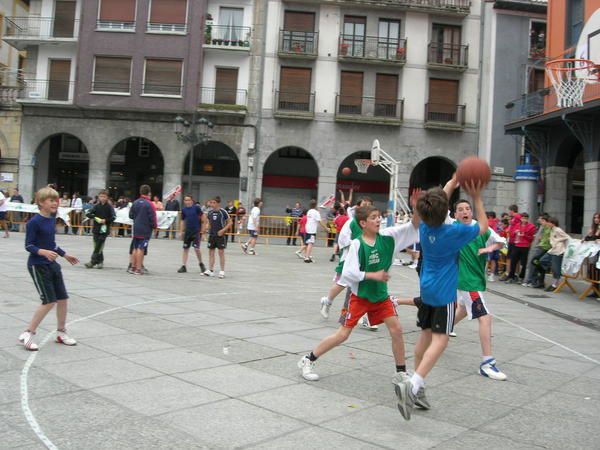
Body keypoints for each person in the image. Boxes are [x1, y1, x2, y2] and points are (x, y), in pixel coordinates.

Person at [394, 178, 488, 421]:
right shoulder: (454, 231)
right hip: (445, 294)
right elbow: (484, 227)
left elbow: (437, 203)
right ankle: (413, 384)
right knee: (441, 340)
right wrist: (476, 197)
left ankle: (418, 388)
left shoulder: (424, 226)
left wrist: (454, 179)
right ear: (447, 211)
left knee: (425, 336)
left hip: (426, 289)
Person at [298, 203, 420, 387]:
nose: (378, 220)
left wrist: (417, 209)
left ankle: (401, 372)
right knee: (343, 334)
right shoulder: (357, 244)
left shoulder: (388, 238)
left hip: (381, 297)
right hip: (359, 297)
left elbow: (413, 227)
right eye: (373, 217)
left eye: (379, 216)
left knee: (396, 330)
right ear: (363, 223)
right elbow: (348, 273)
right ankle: (308, 359)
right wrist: (374, 275)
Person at [444, 188, 507, 381]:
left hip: (476, 279)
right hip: (466, 281)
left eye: (467, 208)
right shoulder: (453, 227)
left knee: (462, 309)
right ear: (455, 214)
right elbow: (441, 205)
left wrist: (488, 248)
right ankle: (487, 363)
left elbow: (502, 243)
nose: (464, 211)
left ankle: (440, 331)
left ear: (471, 212)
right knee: (485, 318)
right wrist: (453, 183)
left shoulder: (482, 229)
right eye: (460, 209)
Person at [19, 186, 79, 351]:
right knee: (49, 301)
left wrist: (65, 255)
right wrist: (43, 252)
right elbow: (29, 245)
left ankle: (61, 332)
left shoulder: (52, 219)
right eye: (51, 200)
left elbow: (51, 244)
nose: (55, 202)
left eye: (56, 200)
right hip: (38, 265)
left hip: (52, 264)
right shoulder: (34, 222)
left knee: (62, 299)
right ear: (41, 202)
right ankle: (28, 333)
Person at [533, 217, 569, 291]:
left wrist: (557, 240)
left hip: (558, 251)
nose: (548, 224)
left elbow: (566, 237)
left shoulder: (558, 229)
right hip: (552, 250)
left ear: (553, 223)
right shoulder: (552, 230)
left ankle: (555, 284)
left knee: (556, 269)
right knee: (542, 260)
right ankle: (549, 267)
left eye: (549, 222)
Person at [128, 185, 157, 275]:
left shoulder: (135, 202)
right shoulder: (149, 204)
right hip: (145, 229)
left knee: (135, 248)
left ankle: (133, 267)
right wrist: (155, 226)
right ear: (149, 193)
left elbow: (130, 215)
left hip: (136, 228)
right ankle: (138, 268)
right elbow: (153, 217)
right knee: (141, 248)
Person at [84, 191, 116, 269]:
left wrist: (106, 220)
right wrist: (95, 217)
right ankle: (100, 261)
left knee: (99, 244)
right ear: (98, 197)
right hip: (96, 228)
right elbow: (88, 213)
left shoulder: (109, 207)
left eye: (104, 196)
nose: (102, 198)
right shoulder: (96, 206)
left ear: (107, 197)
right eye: (101, 196)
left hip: (104, 229)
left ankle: (92, 261)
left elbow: (114, 217)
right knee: (97, 245)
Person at [178, 194, 208, 274]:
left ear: (192, 201)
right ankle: (183, 266)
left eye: (188, 200)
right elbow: (182, 221)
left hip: (196, 231)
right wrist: (181, 231)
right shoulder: (184, 210)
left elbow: (203, 217)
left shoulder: (196, 208)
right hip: (188, 232)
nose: (187, 202)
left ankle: (201, 264)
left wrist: (203, 230)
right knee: (185, 249)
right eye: (185, 200)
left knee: (196, 249)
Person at [204, 196, 232, 278]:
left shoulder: (223, 212)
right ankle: (211, 270)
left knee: (221, 253)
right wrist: (206, 228)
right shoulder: (210, 213)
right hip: (212, 235)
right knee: (211, 253)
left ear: (218, 203)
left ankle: (222, 271)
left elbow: (230, 223)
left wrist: (223, 230)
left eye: (214, 203)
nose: (212, 204)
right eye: (211, 202)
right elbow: (209, 223)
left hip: (220, 236)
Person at [505, 212, 536, 283]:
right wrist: (515, 232)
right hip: (516, 245)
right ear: (521, 218)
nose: (524, 220)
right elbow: (511, 235)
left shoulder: (531, 226)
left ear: (528, 219)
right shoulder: (517, 225)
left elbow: (531, 238)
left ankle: (521, 277)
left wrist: (523, 235)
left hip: (525, 246)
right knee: (513, 261)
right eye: (522, 218)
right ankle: (511, 277)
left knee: (523, 263)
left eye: (525, 218)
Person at [523, 214, 551, 287]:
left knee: (535, 263)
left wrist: (541, 240)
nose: (539, 220)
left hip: (542, 248)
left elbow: (545, 238)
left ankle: (533, 280)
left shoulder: (547, 228)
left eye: (541, 220)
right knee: (534, 263)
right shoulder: (542, 227)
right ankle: (533, 280)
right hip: (538, 247)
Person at [499, 205, 521, 281]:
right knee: (511, 257)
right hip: (511, 240)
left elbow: (519, 225)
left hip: (515, 240)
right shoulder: (514, 218)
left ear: (512, 210)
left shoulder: (517, 217)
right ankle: (511, 273)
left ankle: (511, 273)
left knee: (512, 258)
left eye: (509, 211)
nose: (509, 212)